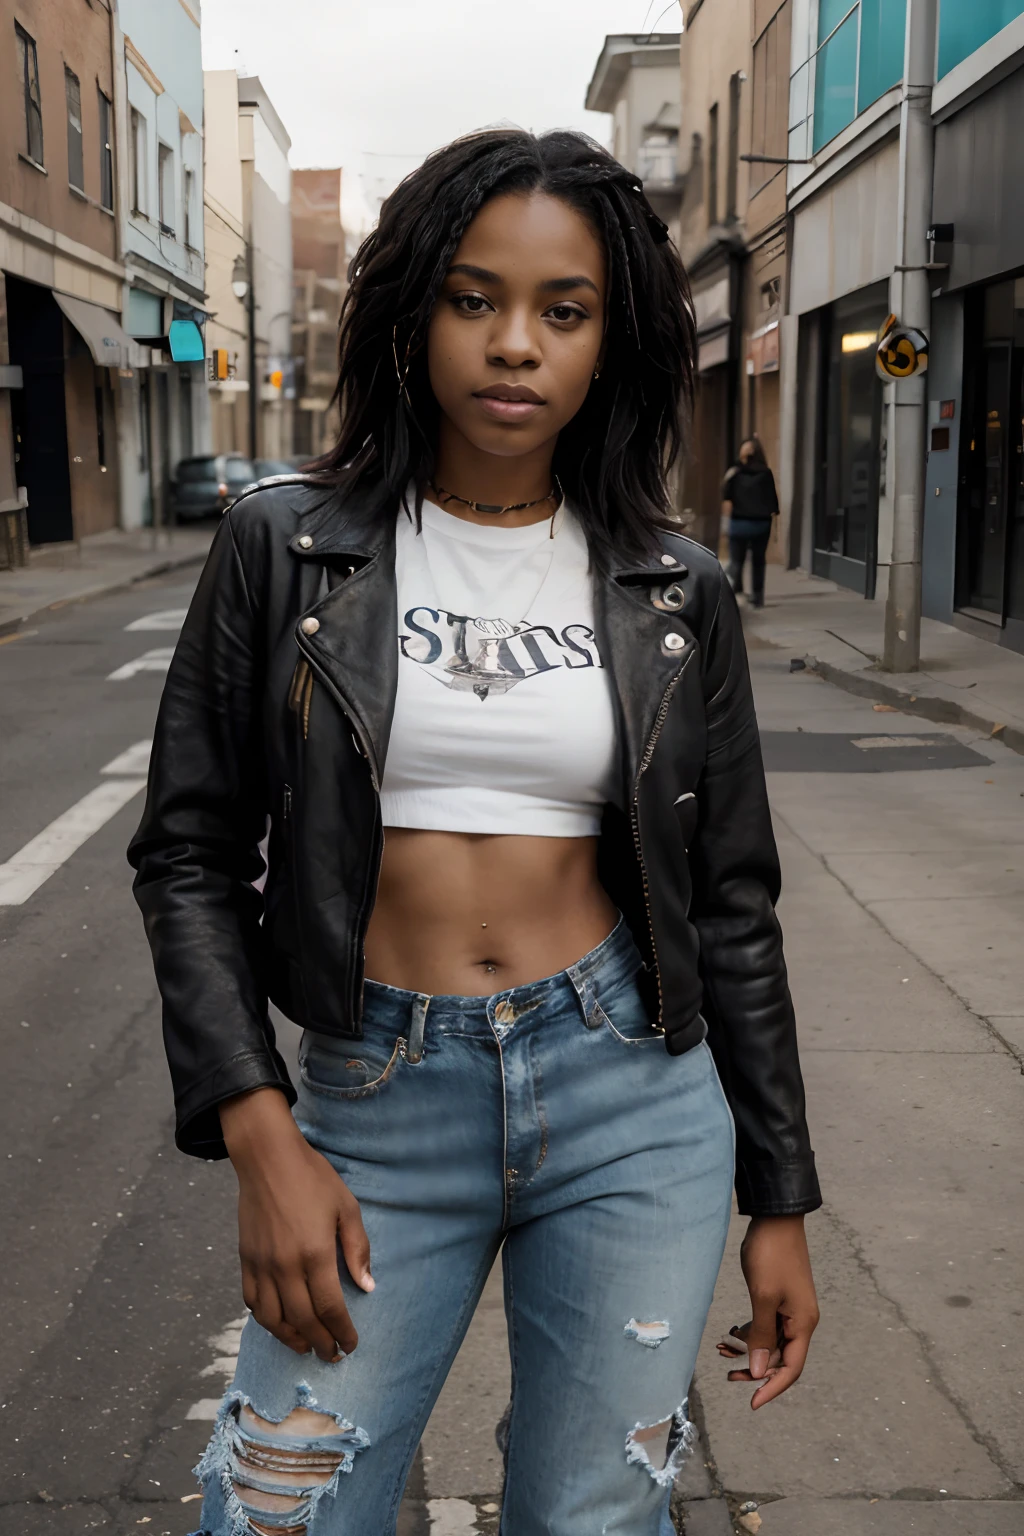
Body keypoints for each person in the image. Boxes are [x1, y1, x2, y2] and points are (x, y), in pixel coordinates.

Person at [129, 128, 820, 1536]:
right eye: (473, 298)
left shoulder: (676, 587)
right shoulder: (286, 545)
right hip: (381, 1094)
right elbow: (189, 852)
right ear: (411, 315)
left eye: (562, 313)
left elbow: (733, 902)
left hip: (634, 1088)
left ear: (607, 343)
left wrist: (780, 1197)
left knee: (592, 1520)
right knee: (280, 1512)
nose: (515, 345)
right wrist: (260, 1131)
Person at [722, 437, 780, 608]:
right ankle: (757, 596)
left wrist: (725, 524)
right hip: (761, 524)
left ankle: (735, 592)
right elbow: (772, 501)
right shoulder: (765, 472)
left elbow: (727, 498)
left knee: (736, 561)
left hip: (739, 523)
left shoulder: (735, 473)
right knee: (758, 561)